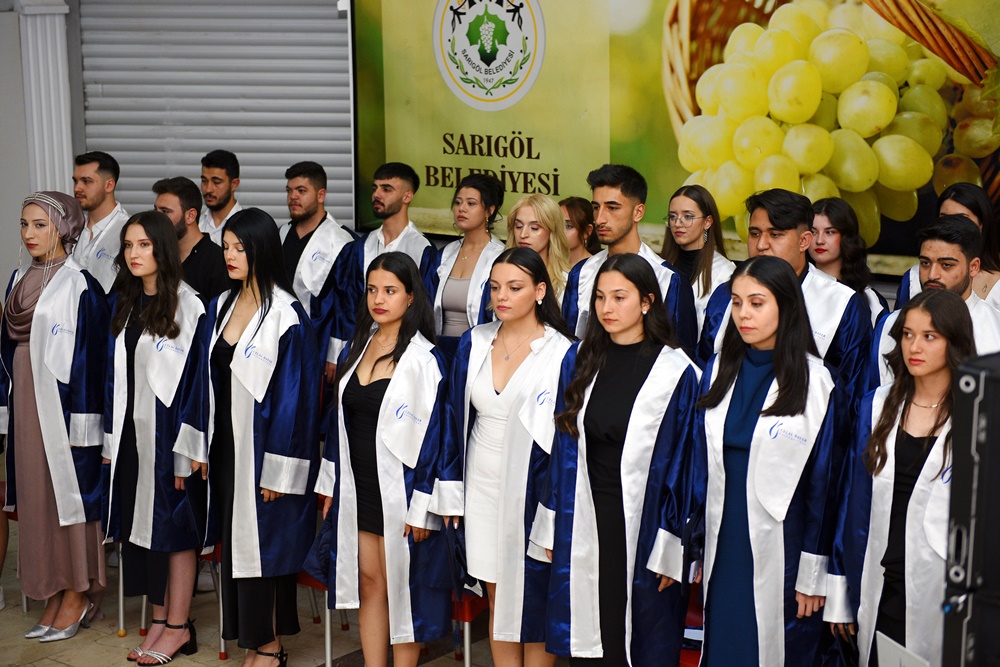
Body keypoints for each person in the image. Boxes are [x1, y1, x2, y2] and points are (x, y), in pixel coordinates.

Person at [530, 253, 699, 666]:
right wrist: (553, 522)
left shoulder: (676, 372)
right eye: (600, 297)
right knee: (590, 632)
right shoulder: (580, 358)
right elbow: (561, 448)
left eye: (620, 297)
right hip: (586, 514)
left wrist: (673, 544)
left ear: (647, 302)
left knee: (639, 636)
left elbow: (686, 467)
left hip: (644, 523)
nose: (607, 308)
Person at [692, 255, 836, 666]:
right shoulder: (719, 368)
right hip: (723, 535)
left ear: (786, 306)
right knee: (722, 642)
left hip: (783, 543)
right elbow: (697, 467)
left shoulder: (815, 381)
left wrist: (812, 571)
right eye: (737, 303)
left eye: (757, 303)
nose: (743, 314)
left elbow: (825, 484)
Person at [433, 247, 573, 667]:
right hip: (480, 482)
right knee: (497, 595)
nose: (502, 297)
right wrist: (451, 492)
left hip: (533, 488)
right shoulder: (474, 341)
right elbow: (452, 419)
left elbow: (567, 443)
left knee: (534, 597)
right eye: (495, 288)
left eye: (514, 287)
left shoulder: (562, 351)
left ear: (540, 291)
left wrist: (553, 508)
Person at [310, 252, 451, 667]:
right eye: (372, 289)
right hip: (359, 487)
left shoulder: (424, 359)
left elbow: (437, 440)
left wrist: (423, 507)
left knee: (402, 590)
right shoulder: (358, 346)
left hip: (400, 491)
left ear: (411, 297)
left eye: (390, 290)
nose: (378, 299)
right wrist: (332, 486)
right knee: (370, 583)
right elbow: (338, 423)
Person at [826, 289, 974, 667]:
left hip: (943, 591)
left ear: (955, 342)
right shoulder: (876, 405)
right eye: (907, 334)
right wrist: (841, 593)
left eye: (929, 336)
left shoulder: (978, 417)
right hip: (879, 582)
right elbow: (850, 502)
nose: (914, 347)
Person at [205, 208, 321, 667]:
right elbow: (200, 379)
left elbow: (297, 401)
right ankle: (253, 642)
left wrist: (279, 469)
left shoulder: (286, 315)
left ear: (262, 250)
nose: (230, 255)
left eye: (240, 248)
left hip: (264, 450)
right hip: (227, 446)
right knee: (237, 544)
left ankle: (270, 646)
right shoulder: (221, 304)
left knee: (265, 546)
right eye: (226, 247)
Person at [0, 191, 109, 641]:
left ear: (63, 228)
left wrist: (84, 428)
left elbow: (91, 362)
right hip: (26, 401)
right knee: (35, 497)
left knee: (67, 494)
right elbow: (4, 352)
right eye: (24, 224)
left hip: (62, 408)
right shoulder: (17, 279)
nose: (29, 234)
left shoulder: (80, 284)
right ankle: (52, 589)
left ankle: (78, 592)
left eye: (40, 225)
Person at [101, 211, 208, 664]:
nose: (134, 253)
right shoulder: (126, 302)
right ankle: (160, 622)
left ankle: (179, 626)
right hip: (133, 436)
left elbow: (198, 386)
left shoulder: (190, 305)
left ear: (162, 249)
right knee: (145, 532)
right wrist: (111, 441)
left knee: (174, 531)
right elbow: (115, 377)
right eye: (128, 245)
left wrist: (187, 452)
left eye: (143, 245)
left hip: (170, 441)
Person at [698, 189, 871, 418]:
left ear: (804, 241)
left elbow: (851, 398)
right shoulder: (725, 296)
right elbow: (703, 374)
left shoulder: (842, 305)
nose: (761, 244)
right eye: (755, 233)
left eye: (775, 234)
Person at [563, 164, 698, 354]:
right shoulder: (581, 273)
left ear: (638, 212)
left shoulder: (668, 280)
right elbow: (567, 345)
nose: (600, 219)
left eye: (612, 208)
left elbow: (681, 359)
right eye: (596, 208)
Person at [325, 162, 438, 373]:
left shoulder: (422, 249)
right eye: (375, 188)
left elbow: (424, 309)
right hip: (360, 348)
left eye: (386, 189)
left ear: (407, 196)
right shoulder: (360, 247)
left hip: (403, 353)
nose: (377, 194)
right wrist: (335, 353)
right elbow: (346, 303)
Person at [871, 216, 1000, 387]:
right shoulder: (890, 324)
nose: (932, 275)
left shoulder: (996, 326)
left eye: (946, 265)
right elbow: (878, 395)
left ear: (973, 267)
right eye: (925, 263)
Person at [278, 161, 356, 361]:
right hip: (279, 337)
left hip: (318, 344)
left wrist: (336, 354)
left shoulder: (341, 241)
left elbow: (347, 304)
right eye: (289, 191)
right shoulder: (282, 233)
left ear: (321, 195)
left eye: (301, 191)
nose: (293, 197)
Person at [433, 174, 505, 358]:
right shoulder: (444, 255)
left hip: (479, 354)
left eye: (471, 203)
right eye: (458, 202)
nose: (461, 208)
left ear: (489, 210)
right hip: (439, 351)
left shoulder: (500, 258)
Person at [896, 182, 1000, 308]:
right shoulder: (913, 277)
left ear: (982, 225)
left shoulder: (997, 286)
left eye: (961, 219)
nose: (951, 226)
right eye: (944, 219)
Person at [659, 185, 735, 338]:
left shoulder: (724, 273)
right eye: (673, 216)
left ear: (707, 222)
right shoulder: (659, 265)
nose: (677, 223)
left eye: (688, 216)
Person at [810, 197, 890, 327]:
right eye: (813, 232)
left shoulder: (871, 301)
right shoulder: (794, 287)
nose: (819, 240)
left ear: (846, 237)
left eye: (829, 232)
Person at [152, 176, 230, 298]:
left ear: (190, 216)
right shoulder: (156, 255)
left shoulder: (218, 263)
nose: (157, 218)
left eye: (165, 212)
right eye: (155, 211)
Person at [73, 150, 130, 292]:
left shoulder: (128, 230)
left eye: (86, 181)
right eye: (75, 181)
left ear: (109, 185)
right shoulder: (71, 226)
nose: (77, 188)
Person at [505, 194, 572, 299]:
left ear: (552, 231)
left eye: (534, 228)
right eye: (519, 226)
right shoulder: (500, 273)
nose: (523, 234)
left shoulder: (568, 282)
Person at [199, 150, 243, 246]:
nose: (208, 189)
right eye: (204, 181)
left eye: (216, 182)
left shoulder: (248, 228)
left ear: (234, 184)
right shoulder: (197, 226)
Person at [560, 196, 601, 267]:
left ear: (587, 231)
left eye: (568, 226)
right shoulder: (548, 265)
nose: (560, 231)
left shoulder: (596, 268)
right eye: (557, 225)